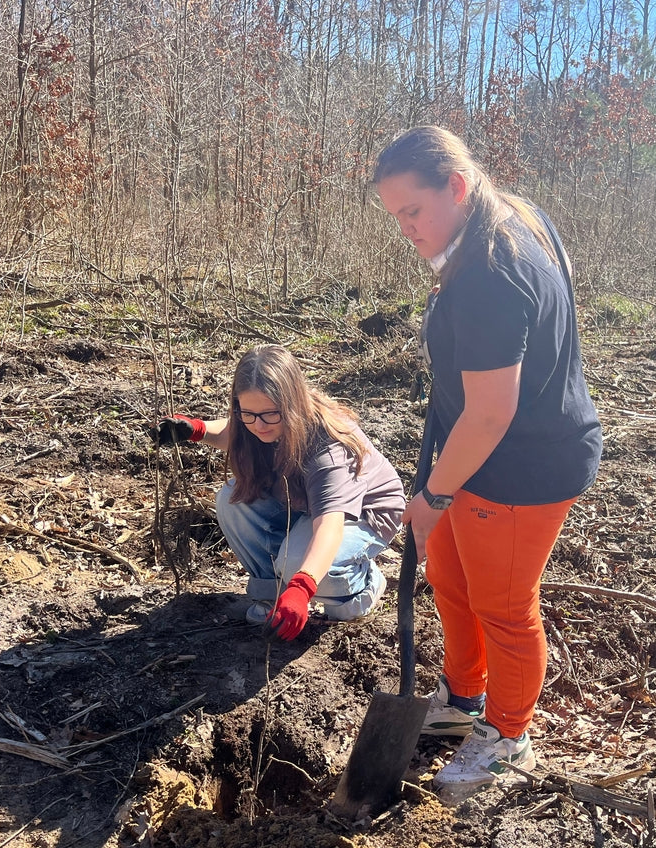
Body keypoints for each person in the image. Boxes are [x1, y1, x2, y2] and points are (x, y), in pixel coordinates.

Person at [374, 126, 602, 798]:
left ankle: (507, 734)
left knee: (502, 604)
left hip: (523, 465)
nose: (407, 230)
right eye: (395, 218)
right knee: (449, 575)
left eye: (413, 211)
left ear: (458, 186)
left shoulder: (490, 275)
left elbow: (491, 412)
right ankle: (463, 697)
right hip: (481, 453)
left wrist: (434, 496)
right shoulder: (512, 215)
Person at [150, 344, 406, 640]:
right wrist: (195, 430)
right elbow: (237, 430)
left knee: (302, 568)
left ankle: (363, 585)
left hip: (362, 514)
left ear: (291, 404)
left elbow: (329, 526)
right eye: (248, 413)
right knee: (232, 501)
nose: (258, 425)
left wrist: (302, 587)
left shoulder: (328, 450)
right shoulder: (260, 420)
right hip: (306, 502)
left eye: (270, 414)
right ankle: (271, 593)